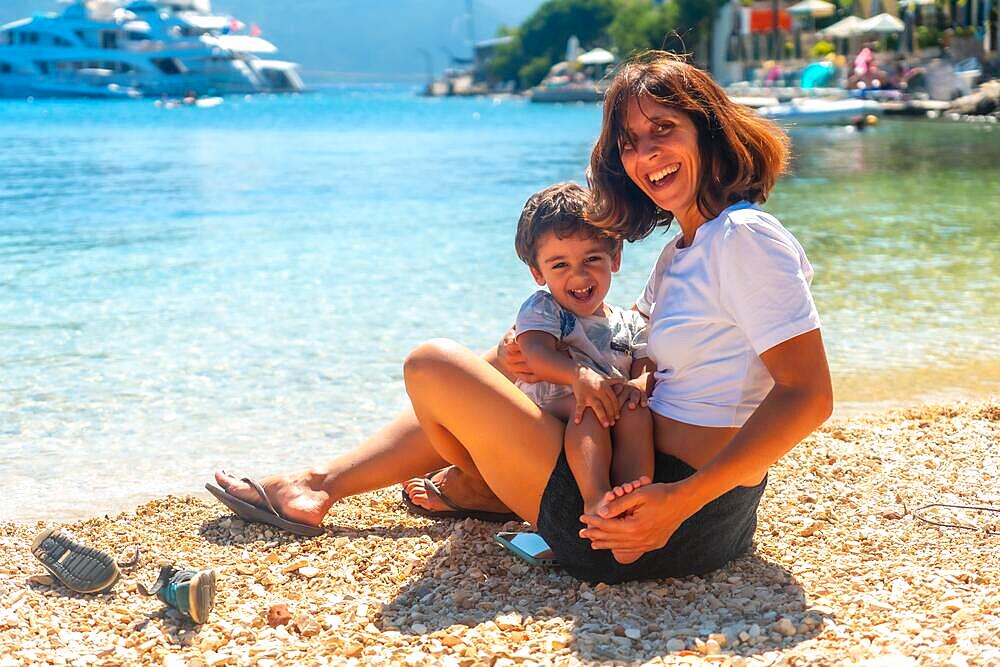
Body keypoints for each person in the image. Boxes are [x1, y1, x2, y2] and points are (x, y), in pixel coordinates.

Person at [210, 50, 832, 583]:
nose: (647, 156)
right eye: (629, 144)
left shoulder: (744, 236)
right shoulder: (683, 252)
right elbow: (658, 369)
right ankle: (407, 486)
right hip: (644, 488)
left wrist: (676, 502)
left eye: (663, 130)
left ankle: (341, 485)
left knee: (431, 364)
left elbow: (808, 396)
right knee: (505, 358)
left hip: (657, 520)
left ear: (708, 131)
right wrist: (577, 377)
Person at [510, 182, 653, 528]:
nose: (579, 274)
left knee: (636, 411)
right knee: (584, 407)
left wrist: (637, 384)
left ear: (615, 258)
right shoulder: (545, 309)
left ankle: (634, 496)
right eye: (559, 265)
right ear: (538, 273)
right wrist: (578, 376)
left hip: (607, 410)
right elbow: (535, 352)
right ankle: (596, 499)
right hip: (550, 408)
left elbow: (648, 366)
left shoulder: (631, 323)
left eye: (592, 258)